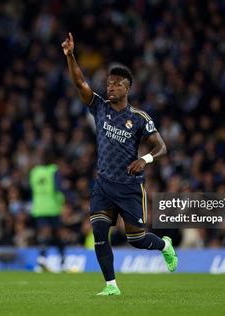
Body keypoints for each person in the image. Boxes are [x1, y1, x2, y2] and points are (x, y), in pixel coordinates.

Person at [62, 33, 177, 296]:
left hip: (128, 187)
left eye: (115, 84)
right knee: (99, 233)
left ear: (127, 88)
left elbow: (162, 147)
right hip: (103, 184)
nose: (109, 87)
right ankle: (111, 286)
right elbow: (79, 82)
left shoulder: (138, 118)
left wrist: (144, 159)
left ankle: (165, 246)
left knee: (136, 239)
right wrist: (70, 56)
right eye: (108, 83)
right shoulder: (99, 107)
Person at [29, 153, 66, 271]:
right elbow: (57, 187)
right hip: (53, 206)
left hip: (39, 207)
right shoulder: (53, 170)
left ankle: (44, 257)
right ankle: (60, 259)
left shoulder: (34, 172)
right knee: (56, 233)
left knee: (47, 233)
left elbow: (31, 188)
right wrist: (68, 198)